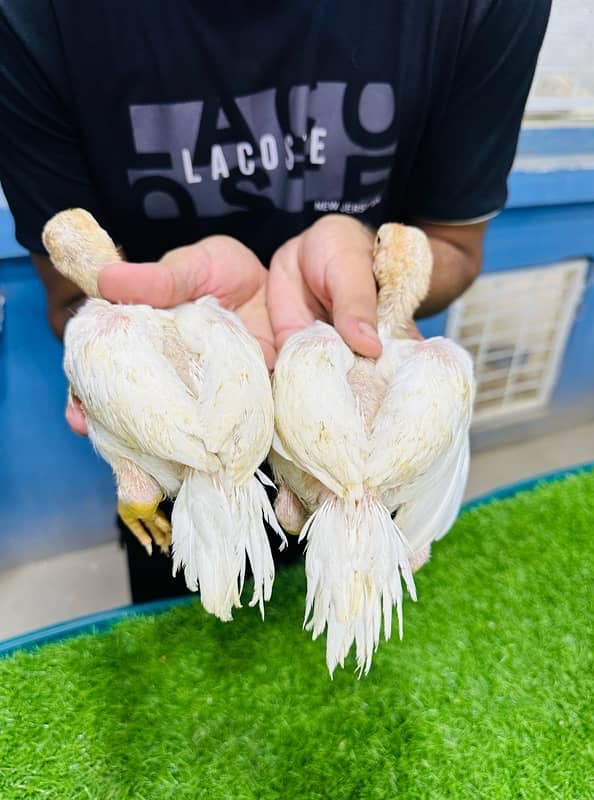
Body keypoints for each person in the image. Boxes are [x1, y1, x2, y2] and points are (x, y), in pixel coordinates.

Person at [0, 0, 550, 602]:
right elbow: (67, 294)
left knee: (360, 580)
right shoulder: (29, 16)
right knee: (192, 598)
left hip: (350, 391)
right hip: (180, 465)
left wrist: (366, 270)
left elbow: (454, 247)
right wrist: (149, 320)